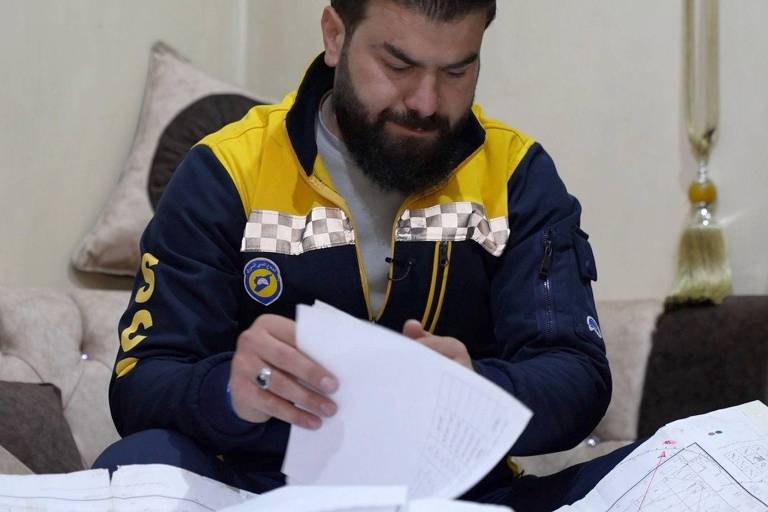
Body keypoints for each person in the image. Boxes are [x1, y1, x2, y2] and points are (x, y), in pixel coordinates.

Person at [95, 1, 637, 509]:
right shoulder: (226, 171)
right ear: (335, 36)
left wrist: (476, 387)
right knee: (135, 468)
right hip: (261, 491)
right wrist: (230, 390)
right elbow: (141, 384)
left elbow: (577, 374)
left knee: (663, 469)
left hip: (461, 495)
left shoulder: (517, 172)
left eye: (456, 72)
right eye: (398, 65)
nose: (426, 103)